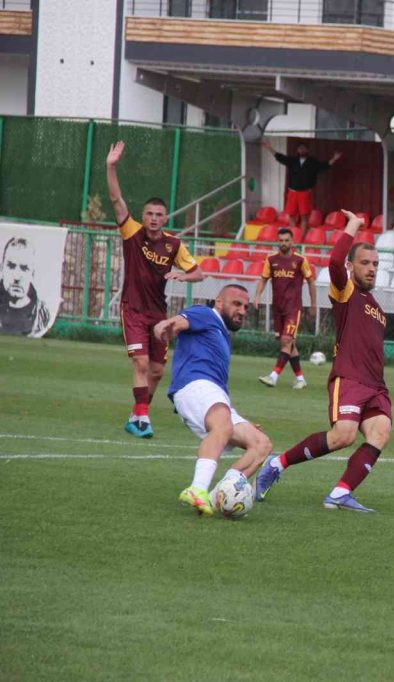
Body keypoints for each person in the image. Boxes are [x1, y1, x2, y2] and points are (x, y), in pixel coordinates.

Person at [255, 209, 391, 512]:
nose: (371, 269)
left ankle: (340, 494)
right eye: (365, 263)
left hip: (376, 386)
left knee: (380, 434)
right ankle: (277, 464)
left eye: (376, 264)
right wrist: (353, 225)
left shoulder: (379, 310)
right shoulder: (346, 291)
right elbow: (331, 262)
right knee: (343, 436)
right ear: (351, 266)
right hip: (351, 379)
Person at [106, 141, 204, 439]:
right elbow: (116, 199)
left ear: (165, 218)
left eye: (158, 214)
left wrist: (182, 276)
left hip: (158, 313)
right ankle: (143, 420)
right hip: (133, 308)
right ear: (143, 215)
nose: (153, 218)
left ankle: (137, 414)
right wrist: (111, 166)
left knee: (158, 371)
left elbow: (199, 273)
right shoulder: (132, 233)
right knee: (141, 362)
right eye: (149, 213)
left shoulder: (174, 245)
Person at [154, 284, 273, 516]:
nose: (242, 310)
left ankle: (218, 493)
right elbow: (177, 322)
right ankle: (197, 489)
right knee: (222, 426)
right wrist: (165, 327)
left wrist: (231, 413)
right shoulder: (206, 314)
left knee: (261, 444)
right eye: (236, 304)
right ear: (219, 302)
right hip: (194, 385)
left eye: (246, 307)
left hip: (212, 394)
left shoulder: (221, 335)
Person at [254, 227, 316, 390]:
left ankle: (273, 376)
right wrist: (257, 296)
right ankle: (301, 379)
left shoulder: (300, 260)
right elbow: (263, 279)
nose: (284, 243)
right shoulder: (271, 260)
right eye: (281, 240)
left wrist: (313, 305)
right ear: (277, 241)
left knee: (286, 341)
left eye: (286, 240)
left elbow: (310, 282)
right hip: (278, 308)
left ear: (292, 241)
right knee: (288, 344)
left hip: (293, 308)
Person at [262, 140, 342, 232]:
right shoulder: (292, 161)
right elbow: (280, 157)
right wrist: (269, 148)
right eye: (300, 148)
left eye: (304, 148)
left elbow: (324, 166)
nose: (302, 150)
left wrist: (334, 159)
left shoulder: (312, 162)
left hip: (305, 193)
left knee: (304, 216)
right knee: (291, 215)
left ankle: (302, 239)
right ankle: (292, 235)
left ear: (307, 150)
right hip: (292, 192)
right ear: (297, 150)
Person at [0, 236, 51, 337]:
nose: (17, 276)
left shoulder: (41, 313)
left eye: (24, 268)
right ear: (2, 268)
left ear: (32, 273)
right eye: (11, 266)